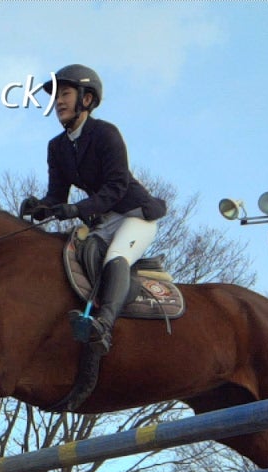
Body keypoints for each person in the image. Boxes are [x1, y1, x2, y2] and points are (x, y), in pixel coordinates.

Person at [20, 64, 167, 353]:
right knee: (82, 254)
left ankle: (103, 326)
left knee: (116, 256)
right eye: (55, 97)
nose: (58, 102)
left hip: (135, 215)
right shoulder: (57, 147)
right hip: (104, 220)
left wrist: (77, 209)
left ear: (86, 99)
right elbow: (56, 195)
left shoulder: (106, 133)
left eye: (65, 94)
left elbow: (116, 187)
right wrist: (41, 208)